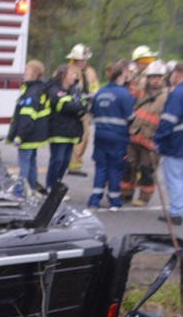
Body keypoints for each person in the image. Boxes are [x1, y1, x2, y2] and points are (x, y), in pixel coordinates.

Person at [88, 61, 135, 211]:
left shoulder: (100, 92)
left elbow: (92, 113)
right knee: (115, 168)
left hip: (100, 135)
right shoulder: (124, 93)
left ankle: (95, 199)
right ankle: (114, 200)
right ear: (121, 76)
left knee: (101, 167)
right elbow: (130, 117)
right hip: (117, 137)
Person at [125, 61, 169, 206]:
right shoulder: (140, 92)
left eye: (158, 77)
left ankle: (144, 197)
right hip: (134, 136)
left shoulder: (167, 96)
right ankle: (126, 193)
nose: (155, 80)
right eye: (153, 77)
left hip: (151, 140)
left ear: (163, 78)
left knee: (147, 170)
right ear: (148, 78)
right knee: (128, 165)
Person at [6, 60, 50, 195]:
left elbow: (27, 118)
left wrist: (19, 136)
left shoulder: (31, 94)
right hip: (36, 135)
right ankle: (31, 187)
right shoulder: (39, 90)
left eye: (27, 72)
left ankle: (20, 190)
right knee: (31, 162)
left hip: (28, 136)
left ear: (35, 74)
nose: (24, 74)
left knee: (24, 163)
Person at [46, 64, 87, 190]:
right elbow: (67, 106)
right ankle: (50, 187)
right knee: (57, 161)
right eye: (72, 74)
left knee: (65, 162)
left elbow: (83, 106)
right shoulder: (54, 89)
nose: (75, 77)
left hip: (71, 133)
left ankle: (57, 188)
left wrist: (77, 100)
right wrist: (77, 102)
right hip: (58, 132)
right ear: (63, 76)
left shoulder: (74, 90)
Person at [65, 44, 100, 177]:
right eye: (81, 60)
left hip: (86, 109)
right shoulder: (69, 71)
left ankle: (75, 166)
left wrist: (94, 95)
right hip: (72, 109)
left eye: (85, 60)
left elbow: (95, 87)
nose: (84, 62)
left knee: (84, 137)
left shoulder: (90, 72)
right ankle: (71, 165)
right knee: (74, 138)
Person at [155, 64, 183, 225]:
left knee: (174, 178)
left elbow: (169, 119)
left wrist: (158, 138)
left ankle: (176, 212)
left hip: (176, 142)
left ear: (177, 73)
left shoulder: (177, 93)